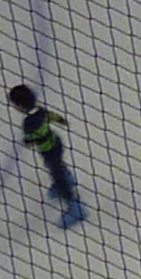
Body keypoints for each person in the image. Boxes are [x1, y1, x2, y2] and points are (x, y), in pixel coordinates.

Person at [9, 83, 84, 227]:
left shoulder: (29, 123)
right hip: (55, 142)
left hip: (48, 148)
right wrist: (61, 120)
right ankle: (67, 177)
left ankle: (74, 206)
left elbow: (32, 139)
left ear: (20, 106)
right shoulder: (40, 111)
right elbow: (51, 116)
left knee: (55, 170)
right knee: (56, 164)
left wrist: (28, 141)